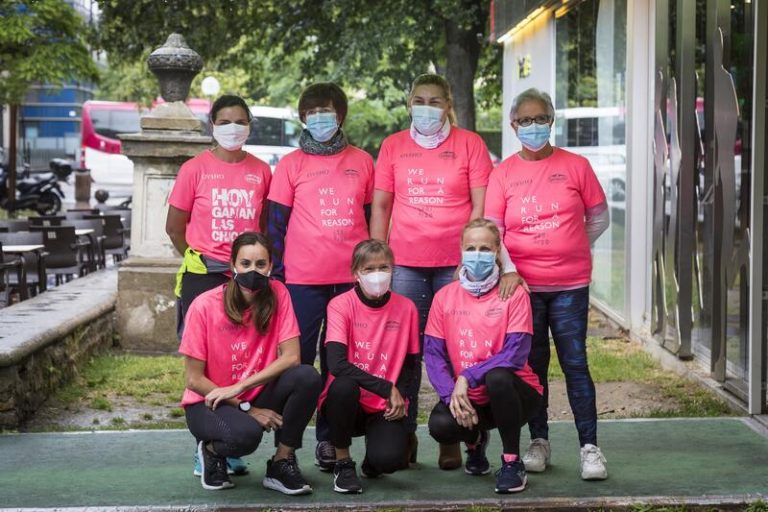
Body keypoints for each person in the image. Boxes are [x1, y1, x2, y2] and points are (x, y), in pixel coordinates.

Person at [370, 73, 499, 468]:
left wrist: (471, 257)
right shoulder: (393, 146)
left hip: (457, 265)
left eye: (435, 101)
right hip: (407, 263)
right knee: (408, 353)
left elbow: (482, 206)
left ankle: (455, 435)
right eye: (419, 100)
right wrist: (379, 257)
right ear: (410, 102)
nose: (427, 107)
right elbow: (381, 206)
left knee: (457, 350)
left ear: (448, 105)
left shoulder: (470, 144)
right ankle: (404, 433)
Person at [484, 88, 610, 480]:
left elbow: (599, 218)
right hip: (524, 290)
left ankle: (590, 448)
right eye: (525, 120)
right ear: (513, 125)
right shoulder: (503, 173)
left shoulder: (576, 166)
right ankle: (538, 441)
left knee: (575, 363)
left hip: (570, 285)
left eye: (540, 119)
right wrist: (509, 270)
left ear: (551, 121)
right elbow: (495, 231)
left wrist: (571, 247)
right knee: (532, 366)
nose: (533, 126)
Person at [266, 82, 375, 471]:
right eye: (311, 112)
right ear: (302, 118)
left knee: (338, 364)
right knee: (298, 364)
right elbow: (275, 226)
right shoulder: (291, 165)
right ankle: (287, 442)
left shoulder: (363, 161)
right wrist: (276, 276)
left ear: (340, 114)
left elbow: (370, 216)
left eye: (325, 111)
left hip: (350, 282)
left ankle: (330, 440)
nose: (319, 118)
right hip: (302, 281)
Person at [167, 94, 272, 476]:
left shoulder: (261, 171)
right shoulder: (195, 169)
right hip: (204, 274)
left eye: (240, 121)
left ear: (249, 125)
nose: (233, 128)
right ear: (212, 124)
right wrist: (204, 258)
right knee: (205, 360)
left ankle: (227, 439)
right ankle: (204, 444)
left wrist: (245, 267)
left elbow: (262, 224)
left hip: (245, 278)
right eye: (225, 121)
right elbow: (174, 228)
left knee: (238, 357)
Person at [180, 232, 322, 494]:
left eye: (260, 264)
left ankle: (282, 462)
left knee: (307, 376)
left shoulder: (278, 293)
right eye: (245, 264)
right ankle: (210, 451)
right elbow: (194, 379)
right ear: (233, 265)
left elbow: (291, 357)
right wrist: (244, 406)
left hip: (250, 393)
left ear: (270, 266)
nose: (252, 271)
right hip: (209, 401)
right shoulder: (204, 306)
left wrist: (240, 387)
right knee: (246, 437)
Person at [425, 219, 542, 494]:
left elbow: (515, 353)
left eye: (485, 249)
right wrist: (450, 396)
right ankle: (475, 443)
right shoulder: (444, 297)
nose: (477, 254)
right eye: (471, 247)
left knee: (498, 376)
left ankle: (512, 463)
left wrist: (467, 375)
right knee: (440, 425)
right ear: (461, 250)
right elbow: (433, 354)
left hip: (515, 394)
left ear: (498, 251)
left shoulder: (514, 294)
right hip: (470, 399)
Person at [319, 239, 420, 493]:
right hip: (347, 402)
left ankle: (373, 461)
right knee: (343, 387)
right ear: (356, 273)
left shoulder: (407, 308)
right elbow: (337, 364)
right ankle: (343, 462)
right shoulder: (340, 305)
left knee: (391, 461)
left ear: (393, 270)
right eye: (369, 269)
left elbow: (411, 364)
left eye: (383, 267)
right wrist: (387, 387)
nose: (378, 275)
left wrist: (401, 397)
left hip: (383, 405)